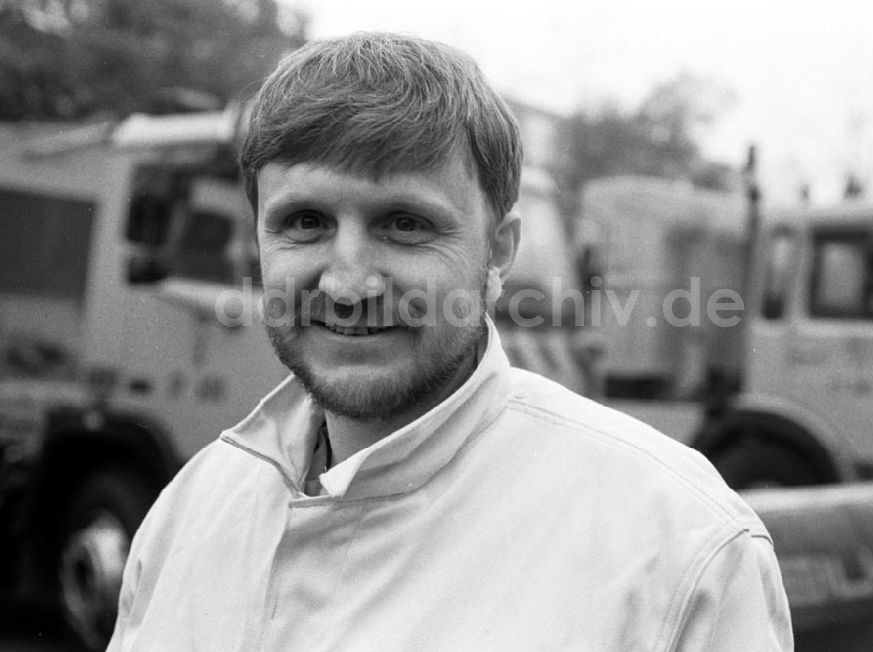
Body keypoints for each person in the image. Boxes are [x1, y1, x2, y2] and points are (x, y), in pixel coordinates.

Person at [108, 32, 793, 651]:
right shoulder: (188, 516)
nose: (348, 284)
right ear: (258, 240)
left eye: (404, 224)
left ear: (499, 254)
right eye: (306, 221)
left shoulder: (680, 552)